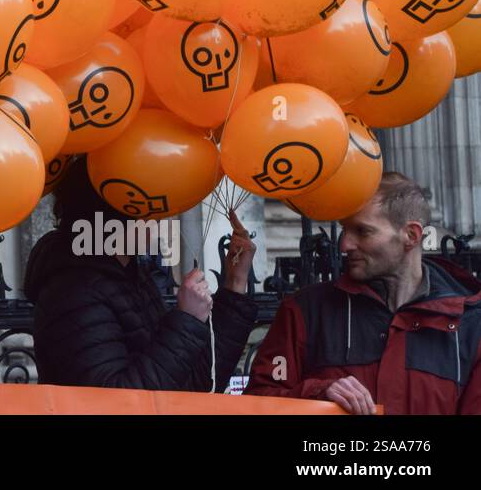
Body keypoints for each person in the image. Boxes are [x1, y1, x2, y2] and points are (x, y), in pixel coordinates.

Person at [247, 172, 481, 414]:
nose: (344, 244)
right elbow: (257, 402)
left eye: (362, 231)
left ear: (411, 235)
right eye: (344, 230)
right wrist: (319, 393)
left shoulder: (471, 324)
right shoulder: (304, 311)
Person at [25, 157, 258, 392]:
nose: (160, 218)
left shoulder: (128, 276)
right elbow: (118, 401)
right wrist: (186, 321)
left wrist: (234, 282)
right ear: (115, 212)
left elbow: (197, 383)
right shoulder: (74, 292)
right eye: (149, 206)